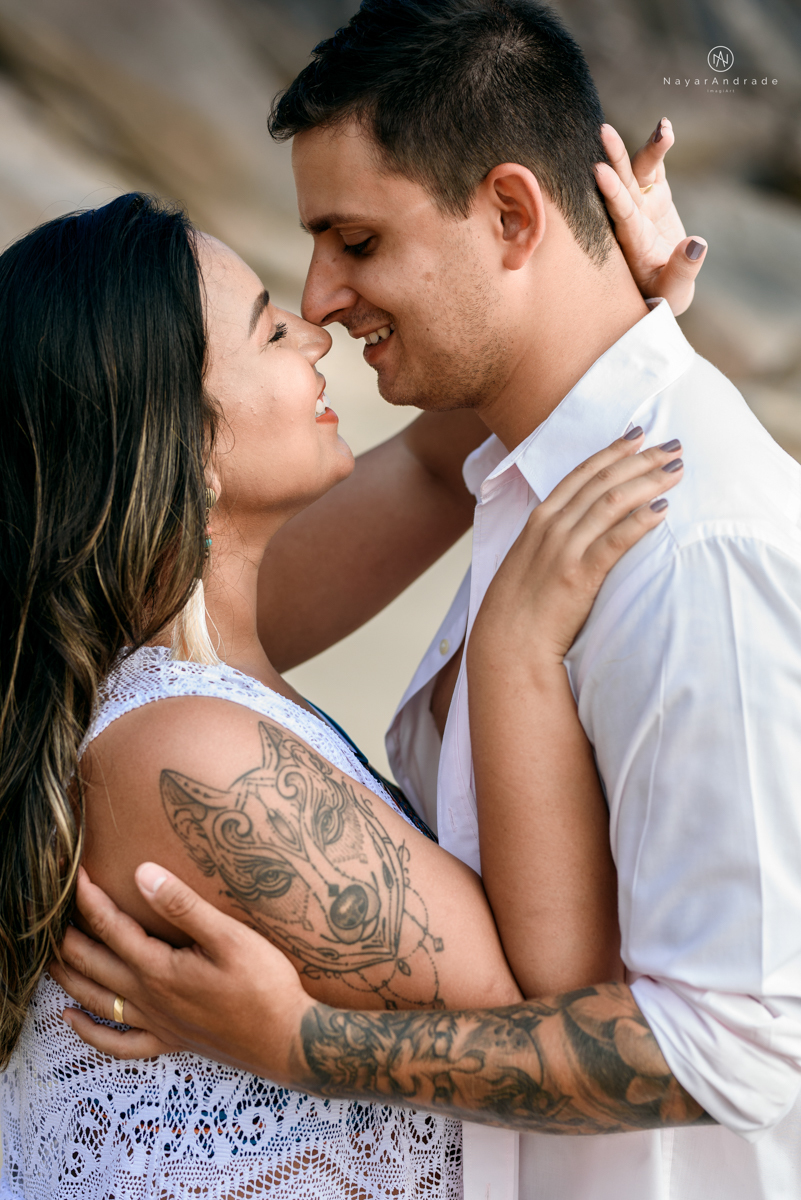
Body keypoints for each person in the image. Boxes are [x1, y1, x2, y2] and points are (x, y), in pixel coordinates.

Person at [53, 2, 801, 1200]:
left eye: (353, 239)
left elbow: (738, 1044)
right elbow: (537, 995)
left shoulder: (684, 544)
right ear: (169, 442)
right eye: (277, 306)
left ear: (511, 213)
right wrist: (615, 321)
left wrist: (620, 318)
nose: (320, 302)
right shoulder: (191, 698)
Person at [0, 192, 684, 1199]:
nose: (314, 332)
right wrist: (515, 647)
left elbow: (437, 466)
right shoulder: (185, 751)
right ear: (180, 438)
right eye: (271, 328)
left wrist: (597, 295)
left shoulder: (187, 640)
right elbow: (559, 1015)